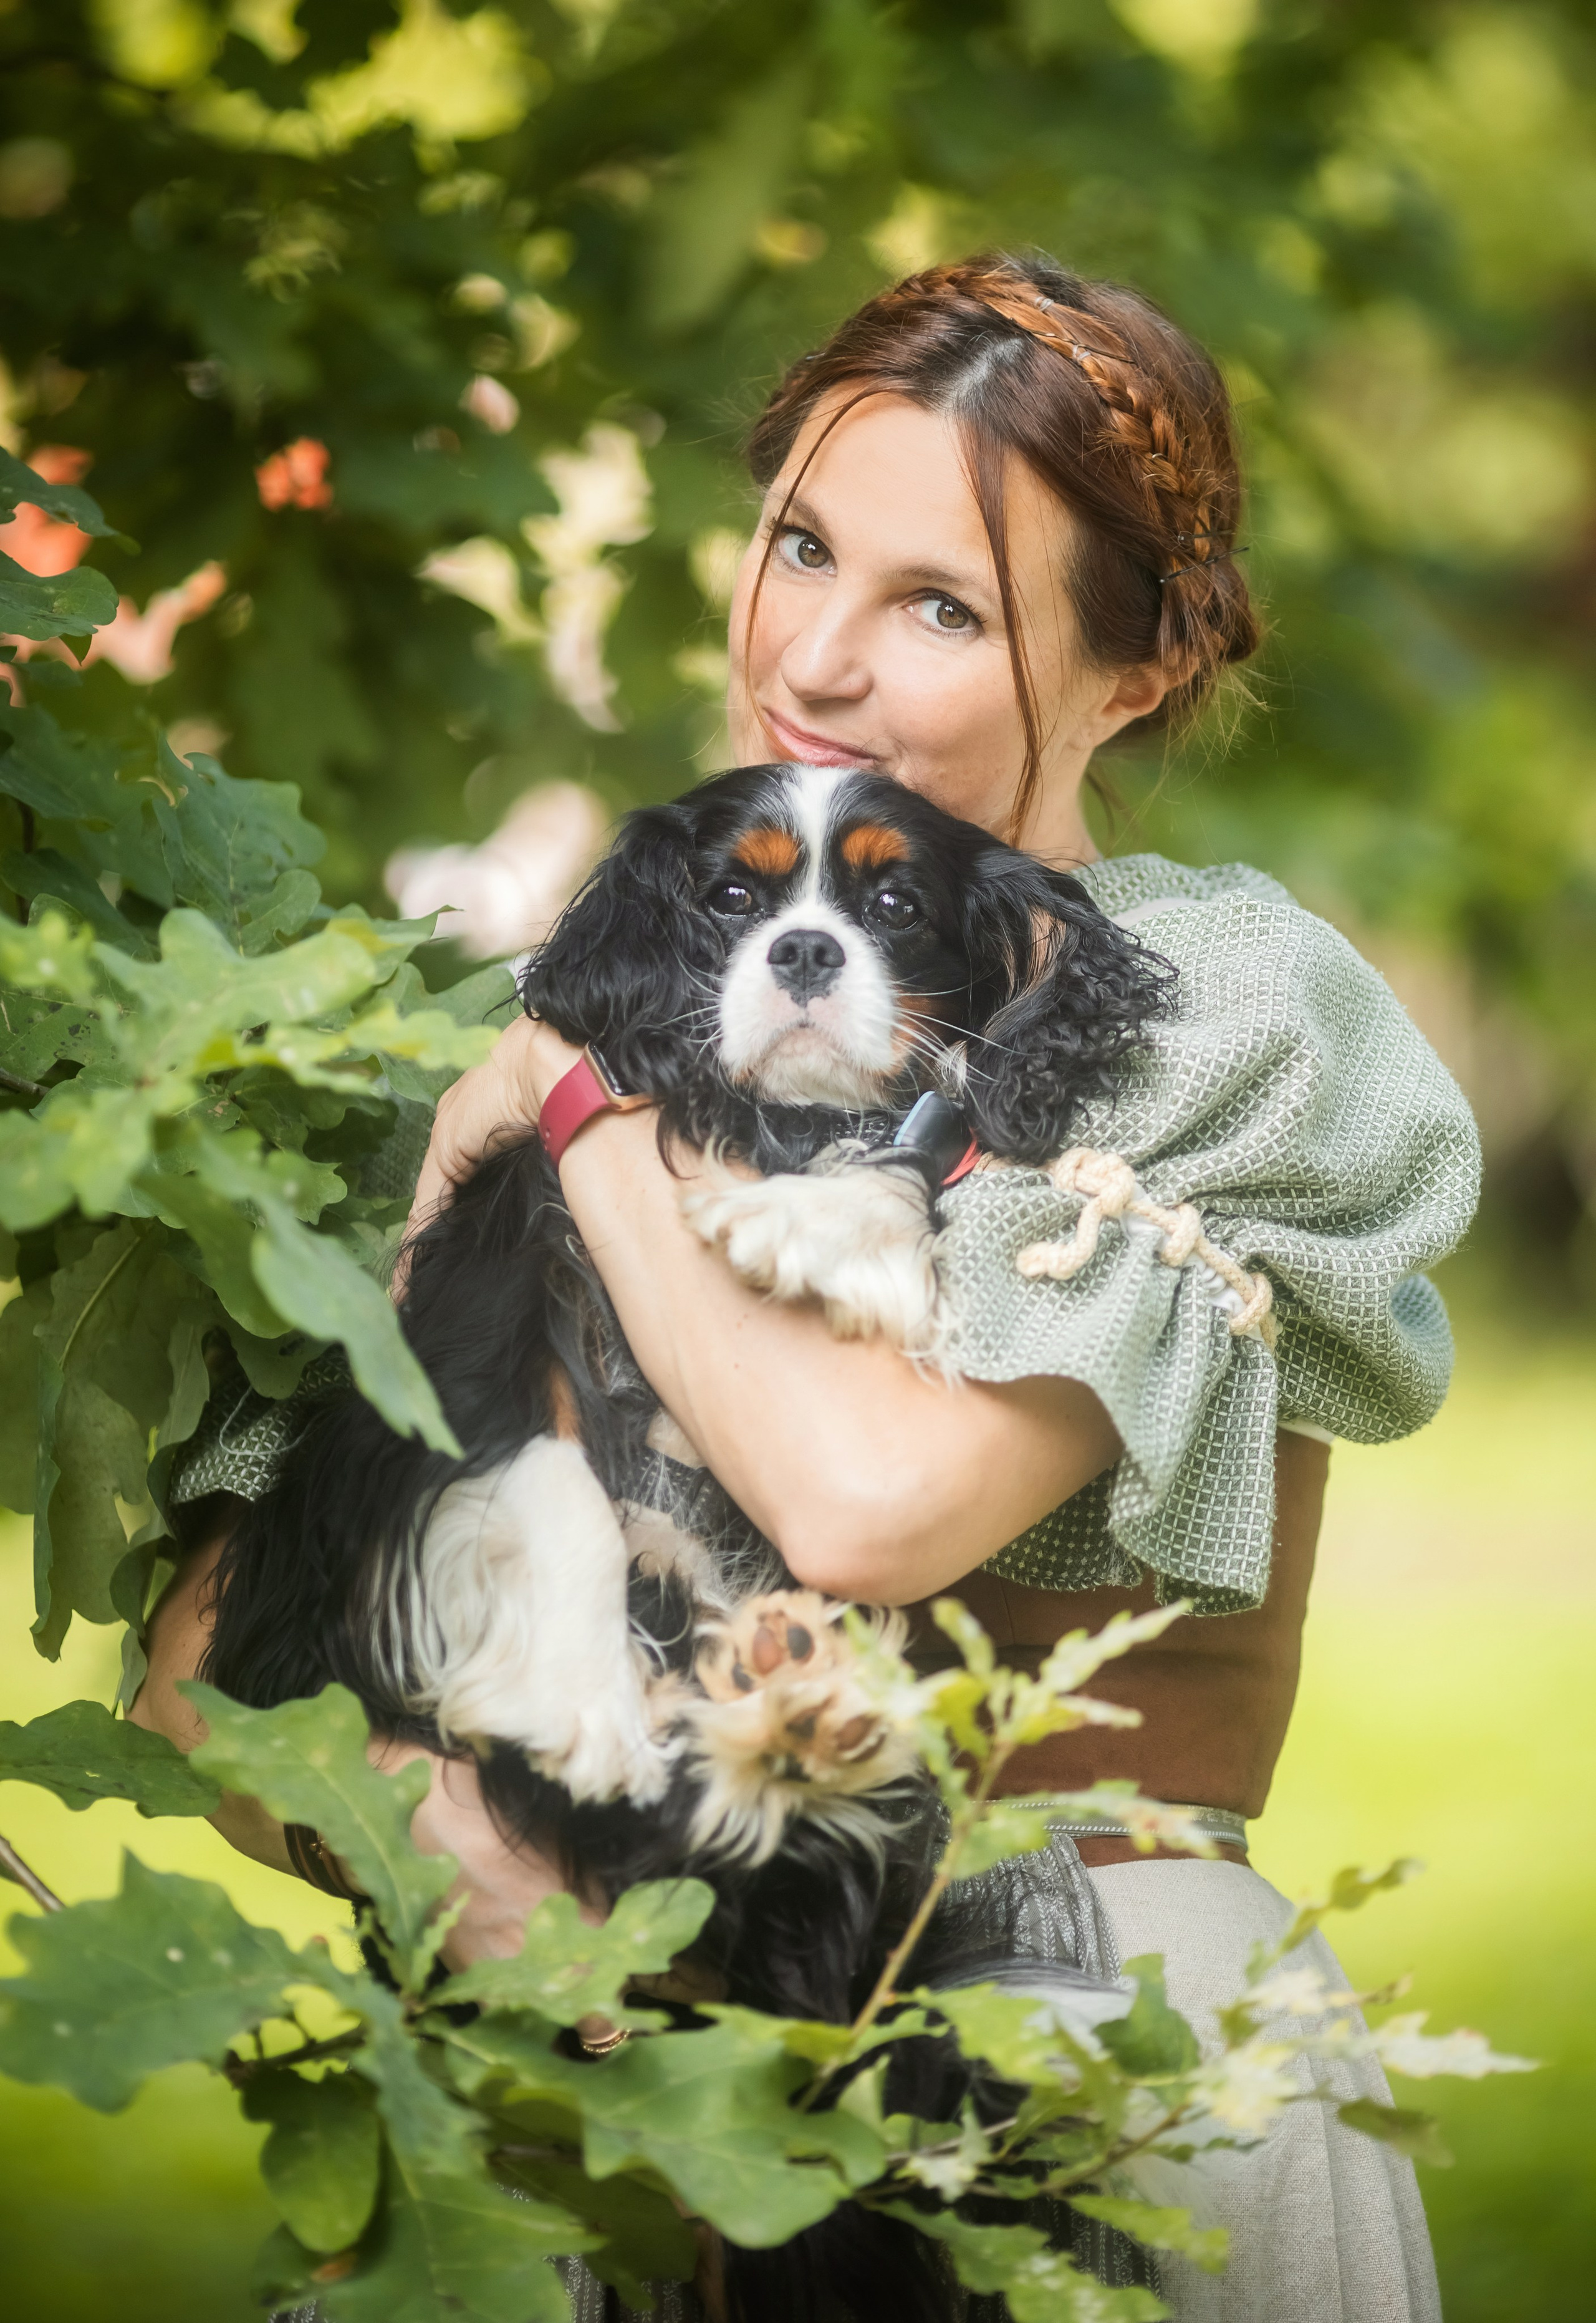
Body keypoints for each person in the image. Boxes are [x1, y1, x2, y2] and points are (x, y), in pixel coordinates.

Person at [134, 254, 1479, 2321]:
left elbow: (870, 1504)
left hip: (1082, 2050)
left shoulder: (1215, 1012)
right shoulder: (612, 963)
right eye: (802, 548)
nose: (819, 658)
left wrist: (582, 1106)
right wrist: (431, 1836)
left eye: (944, 608)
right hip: (585, 2098)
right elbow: (211, 1657)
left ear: (1136, 672)